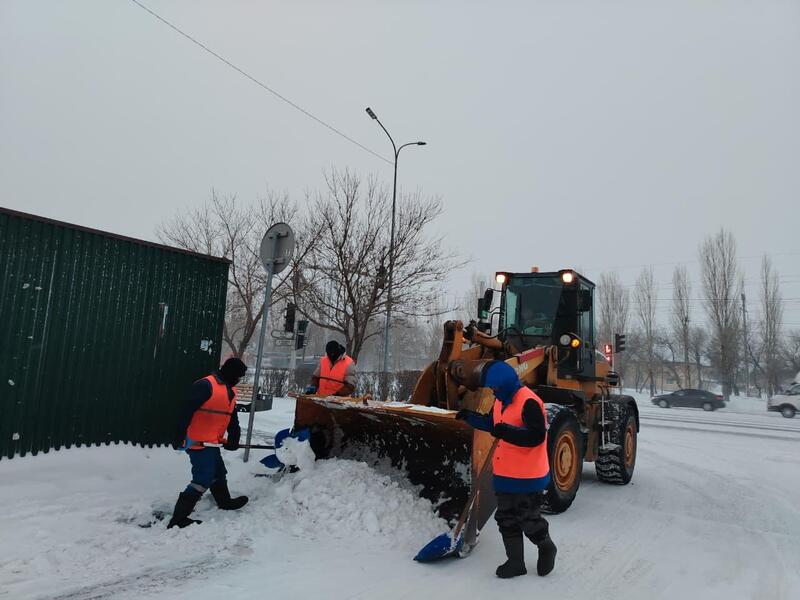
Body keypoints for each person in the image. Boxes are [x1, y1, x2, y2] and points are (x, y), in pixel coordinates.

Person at [455, 361, 557, 578]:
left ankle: (546, 546)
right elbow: (494, 425)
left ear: (505, 384)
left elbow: (536, 436)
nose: (493, 391)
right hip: (504, 473)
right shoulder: (501, 401)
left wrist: (507, 432)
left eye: (495, 387)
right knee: (506, 518)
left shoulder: (528, 401)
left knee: (528, 519)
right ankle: (515, 562)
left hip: (528, 476)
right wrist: (469, 417)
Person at [167, 357, 250, 529]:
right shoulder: (205, 385)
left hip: (211, 442)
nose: (239, 380)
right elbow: (185, 411)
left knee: (219, 471)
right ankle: (178, 518)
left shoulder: (229, 390)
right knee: (203, 478)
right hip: (197, 442)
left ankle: (225, 501)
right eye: (238, 376)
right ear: (231, 373)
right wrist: (178, 435)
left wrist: (234, 439)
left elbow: (231, 418)